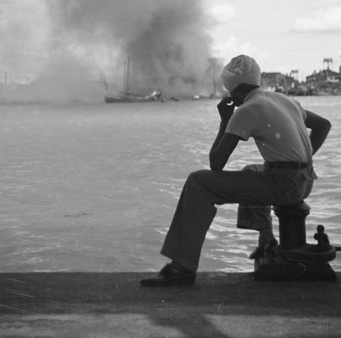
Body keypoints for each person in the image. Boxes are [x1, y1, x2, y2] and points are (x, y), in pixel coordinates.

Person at [140, 54, 331, 287]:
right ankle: (266, 239)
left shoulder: (248, 109)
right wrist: (306, 157)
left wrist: (225, 121)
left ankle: (181, 266)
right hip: (305, 180)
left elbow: (216, 163)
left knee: (198, 182)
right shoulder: (283, 99)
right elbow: (324, 125)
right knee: (251, 170)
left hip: (285, 186)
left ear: (233, 88)